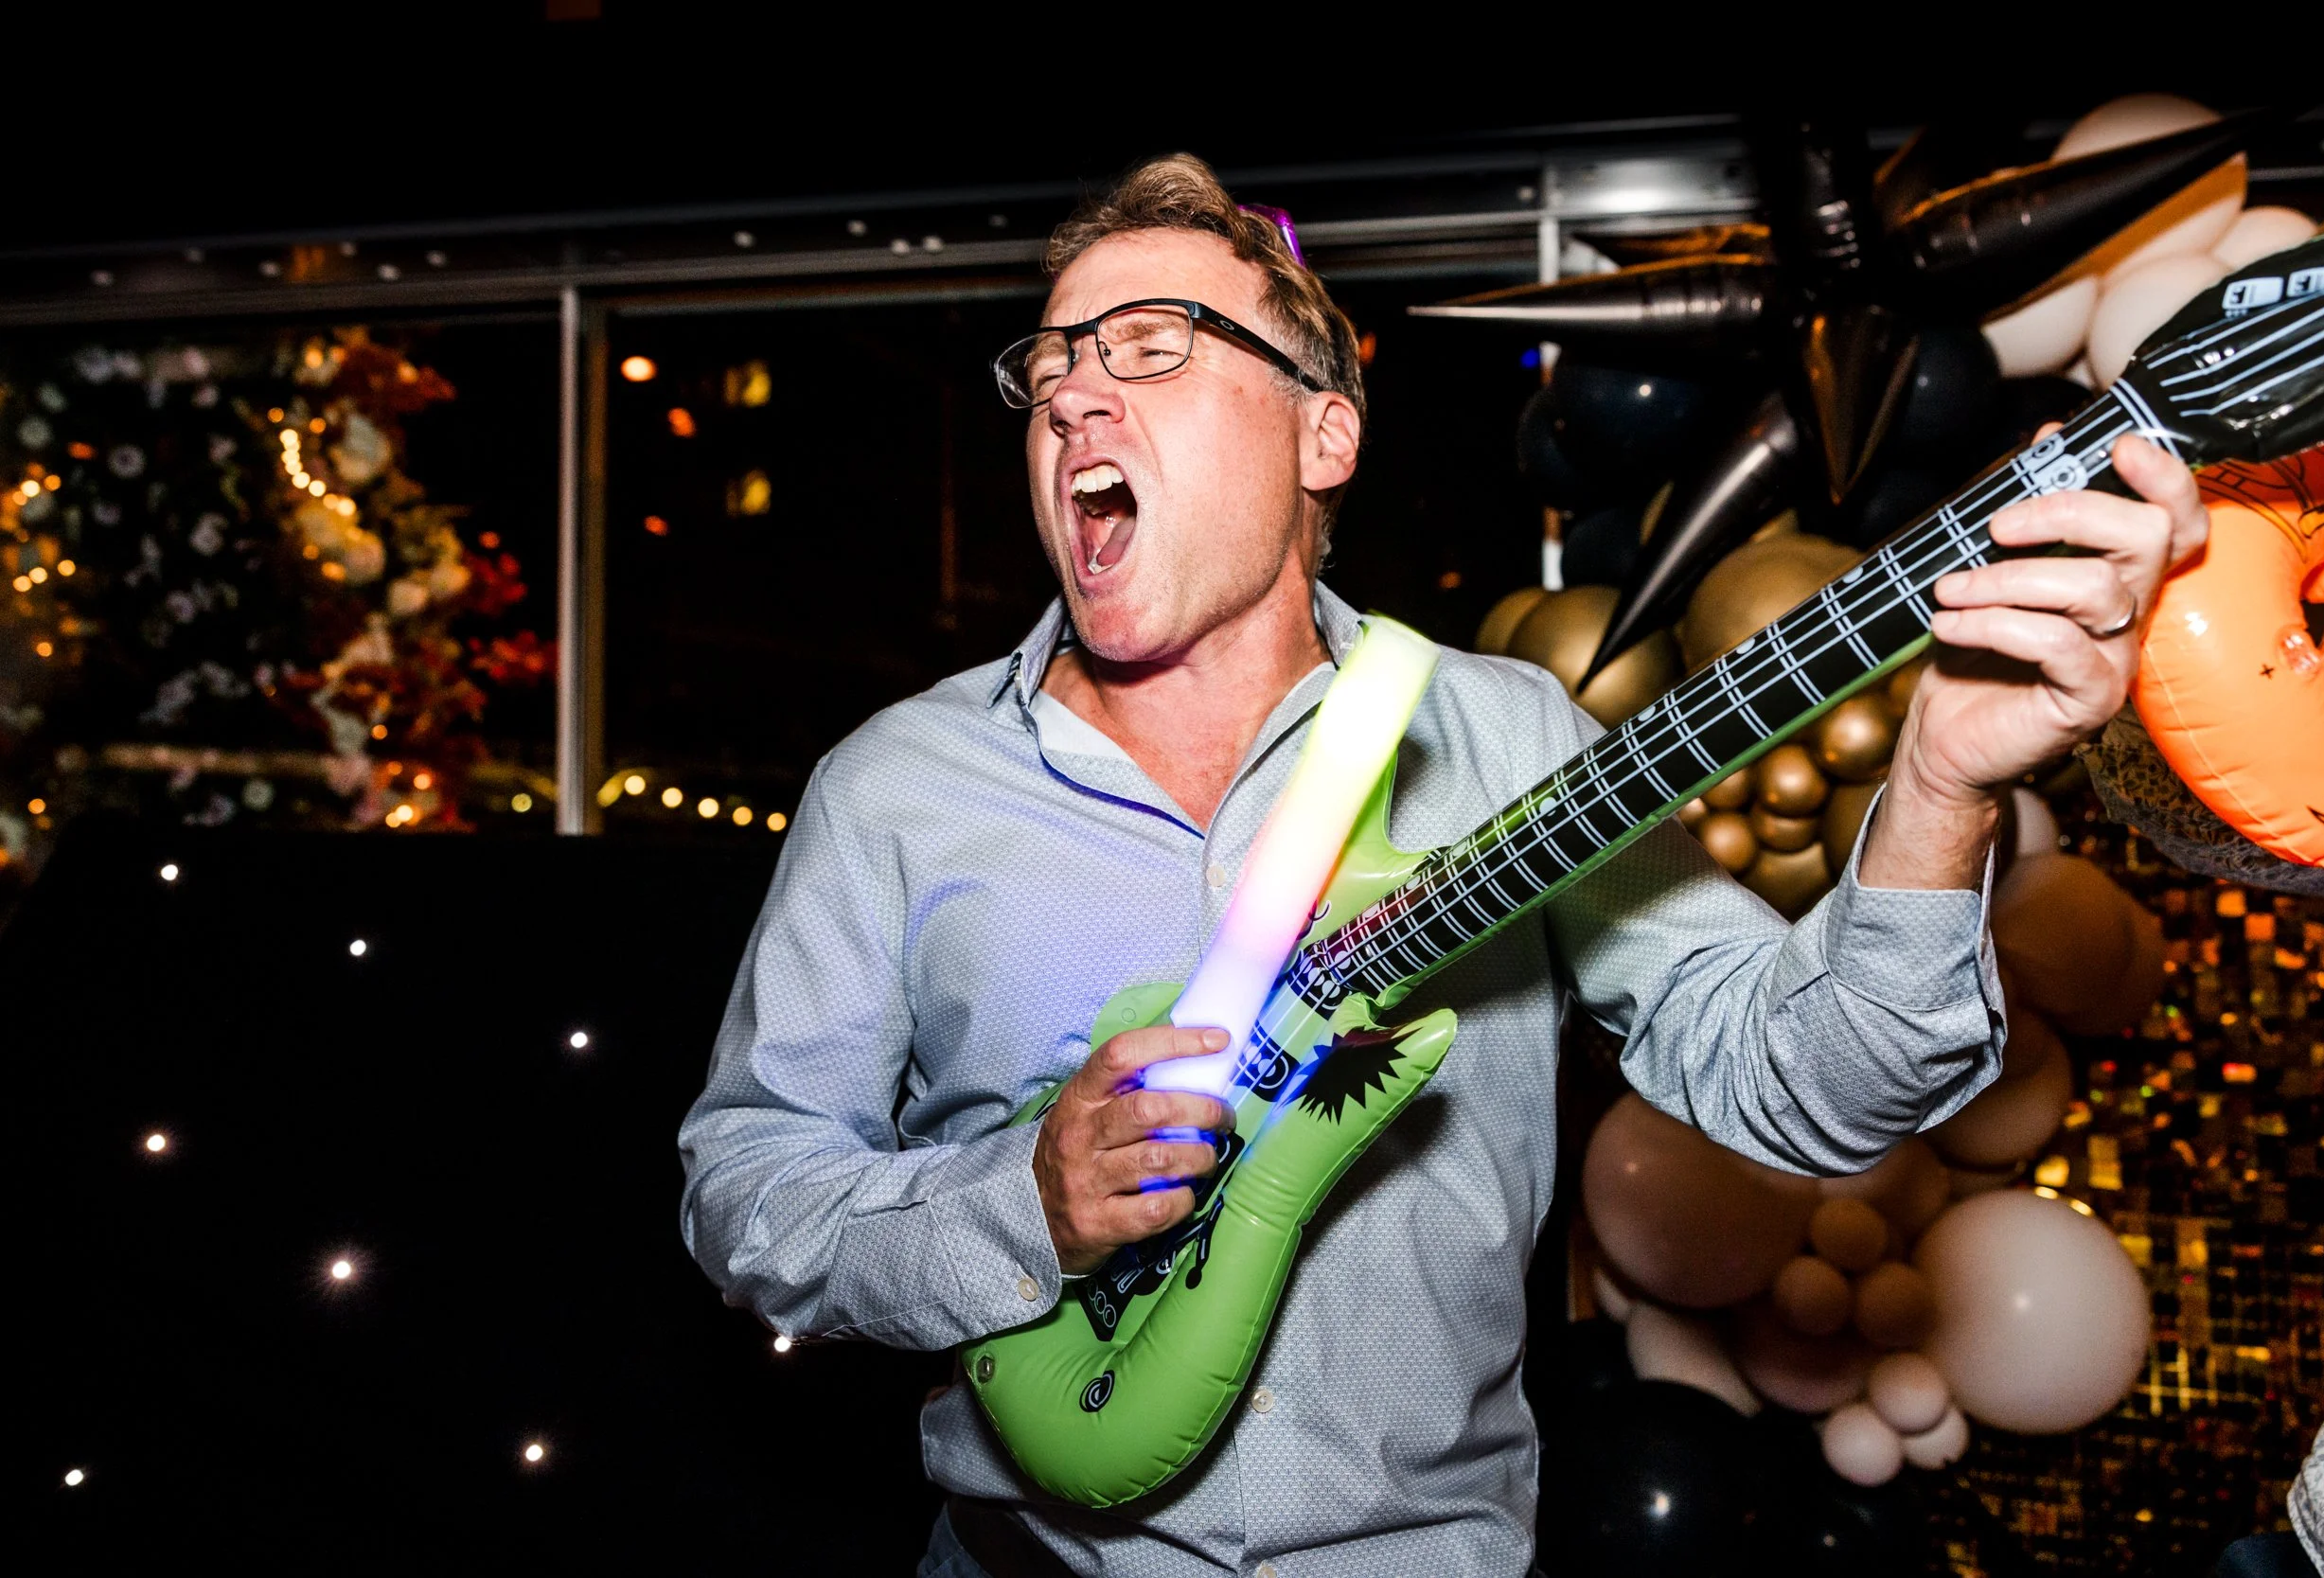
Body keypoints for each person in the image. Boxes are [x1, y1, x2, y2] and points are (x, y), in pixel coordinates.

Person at [678, 154, 2209, 1577]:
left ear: (1321, 430)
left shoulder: (1504, 740)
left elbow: (1805, 1079)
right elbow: (748, 1196)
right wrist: (1021, 1206)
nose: (1077, 395)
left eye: (1151, 346)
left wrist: (1942, 782)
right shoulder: (897, 787)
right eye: (1054, 366)